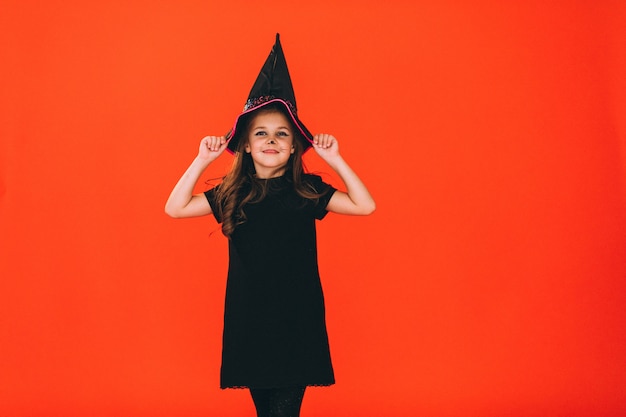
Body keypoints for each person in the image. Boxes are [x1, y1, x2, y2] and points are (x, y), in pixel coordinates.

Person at [165, 34, 375, 417]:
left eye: (282, 134)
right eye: (261, 133)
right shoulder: (234, 192)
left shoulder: (306, 189)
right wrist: (201, 160)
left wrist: (336, 158)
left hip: (297, 315)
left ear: (295, 145)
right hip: (250, 317)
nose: (271, 140)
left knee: (284, 409)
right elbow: (175, 208)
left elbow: (365, 205)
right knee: (269, 409)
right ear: (244, 144)